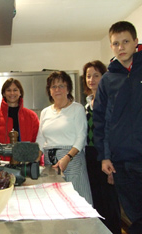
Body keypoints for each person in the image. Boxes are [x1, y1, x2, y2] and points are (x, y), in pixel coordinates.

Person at [93, 21, 142, 233]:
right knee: (134, 216)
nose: (121, 47)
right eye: (116, 43)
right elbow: (100, 121)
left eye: (125, 42)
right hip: (122, 163)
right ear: (111, 47)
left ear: (136, 42)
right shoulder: (106, 80)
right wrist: (104, 157)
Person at [36, 71, 93, 205]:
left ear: (68, 89)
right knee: (57, 203)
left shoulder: (77, 109)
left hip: (71, 160)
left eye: (61, 86)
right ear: (49, 91)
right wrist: (35, 157)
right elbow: (40, 139)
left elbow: (81, 137)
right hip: (50, 164)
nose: (57, 90)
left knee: (78, 203)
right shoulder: (45, 112)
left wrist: (67, 158)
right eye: (53, 86)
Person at [82, 60, 121, 234]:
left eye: (96, 75)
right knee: (96, 200)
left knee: (110, 202)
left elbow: (112, 133)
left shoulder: (110, 102)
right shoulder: (85, 106)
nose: (91, 80)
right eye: (88, 76)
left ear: (104, 77)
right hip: (89, 156)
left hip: (105, 155)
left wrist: (111, 161)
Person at [0, 78, 39, 160]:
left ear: (20, 92)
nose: (12, 93)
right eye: (8, 90)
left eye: (15, 90)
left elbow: (36, 145)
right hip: (0, 168)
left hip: (25, 166)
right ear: (4, 93)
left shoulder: (32, 117)